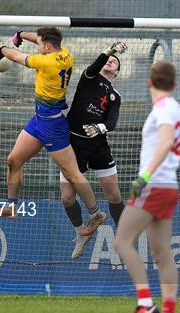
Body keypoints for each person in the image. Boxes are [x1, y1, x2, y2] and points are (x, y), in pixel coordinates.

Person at [0, 27, 108, 234]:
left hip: (53, 126)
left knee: (72, 173)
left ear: (47, 47)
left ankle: (95, 213)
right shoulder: (65, 54)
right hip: (39, 121)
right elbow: (41, 40)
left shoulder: (44, 62)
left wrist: (1, 49)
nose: (39, 46)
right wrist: (21, 34)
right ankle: (10, 206)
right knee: (13, 160)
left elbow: (14, 56)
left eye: (41, 45)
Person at [113, 60, 180, 313]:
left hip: (154, 184)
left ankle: (145, 304)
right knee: (161, 251)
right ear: (175, 84)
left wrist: (144, 176)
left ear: (149, 82)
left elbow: (167, 142)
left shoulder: (163, 110)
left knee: (122, 241)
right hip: (170, 186)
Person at [60, 42, 127, 260]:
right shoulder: (89, 78)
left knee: (113, 193)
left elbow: (113, 122)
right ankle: (81, 232)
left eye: (115, 62)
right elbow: (99, 62)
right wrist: (112, 50)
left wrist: (100, 127)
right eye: (109, 59)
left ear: (116, 72)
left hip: (98, 146)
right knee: (67, 198)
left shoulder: (115, 95)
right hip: (73, 144)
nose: (110, 62)